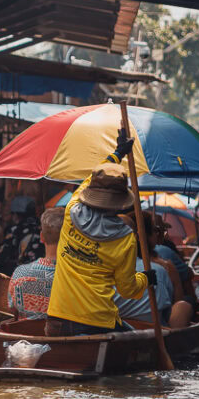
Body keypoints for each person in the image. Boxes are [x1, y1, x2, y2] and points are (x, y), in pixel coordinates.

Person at [46, 132, 152, 336]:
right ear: (120, 203)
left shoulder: (71, 211)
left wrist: (118, 153)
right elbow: (128, 289)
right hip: (98, 323)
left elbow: (91, 178)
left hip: (57, 320)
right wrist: (146, 279)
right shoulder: (126, 238)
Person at [115, 212, 193, 329]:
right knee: (184, 306)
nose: (159, 234)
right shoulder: (159, 269)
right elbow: (174, 305)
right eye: (156, 230)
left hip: (115, 330)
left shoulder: (94, 272)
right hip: (154, 333)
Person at [7, 207, 65, 319]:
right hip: (68, 336)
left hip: (25, 335)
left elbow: (12, 312)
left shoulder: (20, 274)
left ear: (42, 237)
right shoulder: (79, 277)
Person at [0, 195, 44, 275]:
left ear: (16, 215)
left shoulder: (15, 230)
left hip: (21, 275)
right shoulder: (42, 228)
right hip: (41, 272)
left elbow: (3, 255)